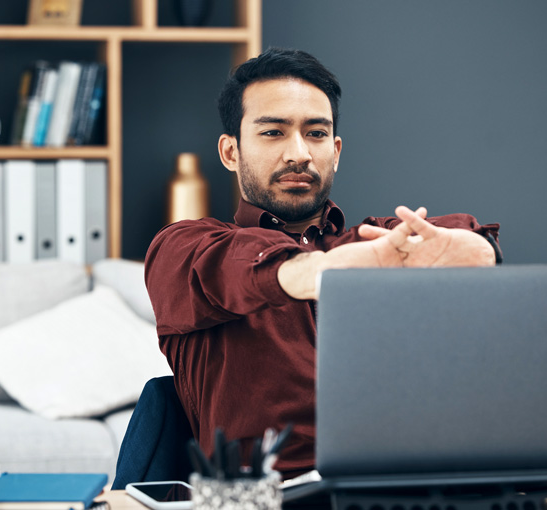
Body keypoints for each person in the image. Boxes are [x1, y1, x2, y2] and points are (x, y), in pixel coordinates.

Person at [144, 47, 501, 478]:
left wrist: (480, 251)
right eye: (273, 133)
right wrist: (315, 272)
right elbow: (228, 267)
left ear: (335, 150)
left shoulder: (377, 243)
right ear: (230, 152)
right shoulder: (184, 246)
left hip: (402, 488)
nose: (299, 153)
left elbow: (454, 236)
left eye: (315, 134)